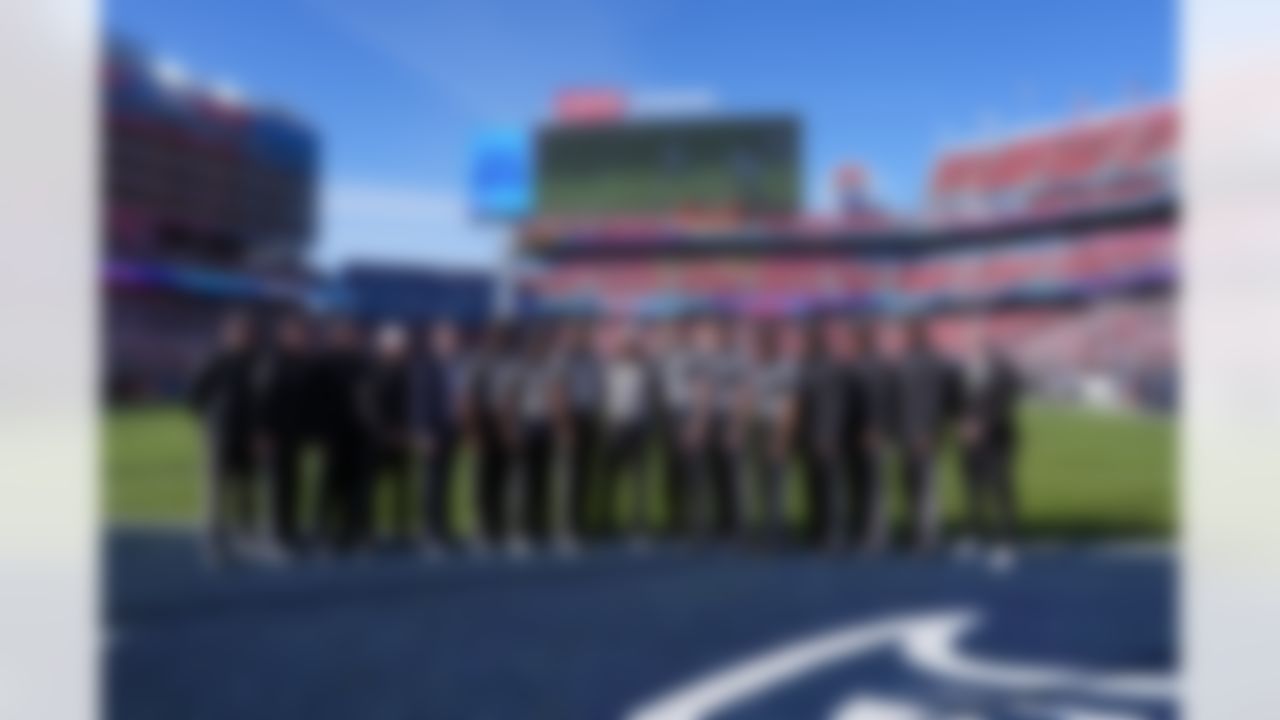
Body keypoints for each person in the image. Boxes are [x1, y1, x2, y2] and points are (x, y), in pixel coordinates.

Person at [189, 310, 266, 564]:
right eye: (238, 332)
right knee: (217, 490)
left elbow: (263, 400)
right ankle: (214, 540)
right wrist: (210, 423)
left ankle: (247, 536)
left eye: (247, 333)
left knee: (247, 488)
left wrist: (260, 433)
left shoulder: (258, 362)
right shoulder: (216, 360)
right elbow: (195, 396)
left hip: (249, 435)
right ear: (227, 334)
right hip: (221, 434)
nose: (243, 337)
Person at [888, 318, 961, 552]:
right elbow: (948, 402)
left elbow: (945, 401)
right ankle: (921, 532)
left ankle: (923, 534)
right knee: (919, 486)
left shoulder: (916, 365)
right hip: (919, 435)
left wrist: (924, 431)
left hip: (918, 434)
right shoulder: (920, 364)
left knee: (921, 486)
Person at [312, 316, 376, 552]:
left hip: (359, 436)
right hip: (332, 435)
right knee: (328, 486)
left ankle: (352, 531)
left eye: (352, 335)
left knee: (356, 487)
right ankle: (322, 532)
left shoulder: (365, 364)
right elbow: (316, 403)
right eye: (344, 334)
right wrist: (320, 434)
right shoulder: (324, 364)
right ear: (336, 337)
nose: (349, 339)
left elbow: (372, 402)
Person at [958, 330, 1023, 555]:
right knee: (974, 488)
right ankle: (975, 533)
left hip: (997, 438)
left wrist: (983, 425)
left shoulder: (1004, 371)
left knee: (1001, 486)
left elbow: (1006, 401)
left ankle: (1007, 535)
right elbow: (960, 402)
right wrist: (964, 425)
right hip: (971, 440)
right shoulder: (966, 370)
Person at [258, 312, 316, 554]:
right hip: (276, 434)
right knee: (278, 485)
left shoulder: (301, 362)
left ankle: (290, 530)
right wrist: (263, 432)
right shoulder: (274, 361)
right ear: (285, 336)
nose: (300, 338)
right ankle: (277, 533)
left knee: (293, 483)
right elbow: (262, 399)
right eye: (296, 334)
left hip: (295, 435)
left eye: (303, 334)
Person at [795, 313, 852, 550]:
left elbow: (837, 406)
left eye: (812, 339)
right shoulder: (806, 366)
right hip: (809, 436)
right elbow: (800, 404)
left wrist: (830, 435)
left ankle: (832, 531)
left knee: (830, 486)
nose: (809, 343)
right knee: (813, 484)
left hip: (826, 436)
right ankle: (816, 530)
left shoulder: (832, 368)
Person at [413, 318, 470, 551]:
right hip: (432, 431)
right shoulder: (427, 367)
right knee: (431, 482)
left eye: (454, 339)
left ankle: (443, 528)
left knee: (446, 481)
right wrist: (423, 432)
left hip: (451, 431)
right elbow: (419, 402)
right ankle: (430, 530)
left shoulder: (457, 365)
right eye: (446, 339)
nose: (451, 343)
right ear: (437, 342)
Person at [600, 326, 657, 546]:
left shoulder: (644, 370)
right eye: (625, 346)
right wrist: (609, 426)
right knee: (612, 477)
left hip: (638, 427)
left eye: (632, 346)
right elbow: (607, 400)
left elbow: (650, 399)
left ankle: (637, 524)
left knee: (638, 479)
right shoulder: (612, 369)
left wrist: (648, 425)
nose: (628, 349)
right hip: (617, 426)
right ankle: (607, 521)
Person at [745, 319, 799, 548]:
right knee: (756, 481)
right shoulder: (753, 366)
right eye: (760, 340)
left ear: (774, 342)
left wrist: (781, 437)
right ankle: (756, 530)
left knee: (776, 482)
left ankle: (776, 531)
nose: (763, 344)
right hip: (756, 427)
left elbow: (790, 404)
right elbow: (746, 398)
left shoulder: (785, 367)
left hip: (775, 426)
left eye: (767, 340)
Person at [470, 322, 521, 549]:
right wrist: (475, 431)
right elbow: (471, 397)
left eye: (504, 336)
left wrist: (511, 427)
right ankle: (482, 527)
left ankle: (499, 526)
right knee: (484, 478)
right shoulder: (480, 361)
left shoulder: (512, 361)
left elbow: (513, 394)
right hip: (487, 420)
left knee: (503, 477)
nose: (500, 340)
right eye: (496, 336)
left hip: (507, 421)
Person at [513, 323, 561, 551]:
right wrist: (513, 428)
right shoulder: (520, 369)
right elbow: (510, 399)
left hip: (545, 426)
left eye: (542, 344)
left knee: (543, 480)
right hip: (527, 424)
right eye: (535, 344)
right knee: (525, 480)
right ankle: (522, 529)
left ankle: (540, 527)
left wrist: (557, 424)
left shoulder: (549, 367)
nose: (538, 348)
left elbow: (555, 396)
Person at [846, 319, 892, 552]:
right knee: (860, 485)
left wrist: (877, 428)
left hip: (873, 433)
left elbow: (884, 401)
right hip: (855, 436)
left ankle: (876, 534)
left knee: (874, 485)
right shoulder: (854, 366)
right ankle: (863, 530)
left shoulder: (879, 367)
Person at [557, 319, 604, 541]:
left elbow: (598, 391)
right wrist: (567, 425)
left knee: (586, 475)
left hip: (590, 420)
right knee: (572, 475)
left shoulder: (593, 361)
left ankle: (582, 523)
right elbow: (561, 393)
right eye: (579, 335)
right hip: (573, 419)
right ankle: (569, 526)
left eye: (586, 335)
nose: (583, 339)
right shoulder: (565, 361)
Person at [369, 323, 415, 546]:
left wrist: (405, 431)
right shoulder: (375, 372)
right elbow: (373, 406)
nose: (399, 351)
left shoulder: (407, 372)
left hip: (402, 435)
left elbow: (411, 405)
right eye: (395, 346)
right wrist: (386, 432)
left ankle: (400, 528)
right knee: (374, 485)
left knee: (401, 485)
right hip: (381, 437)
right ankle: (372, 528)